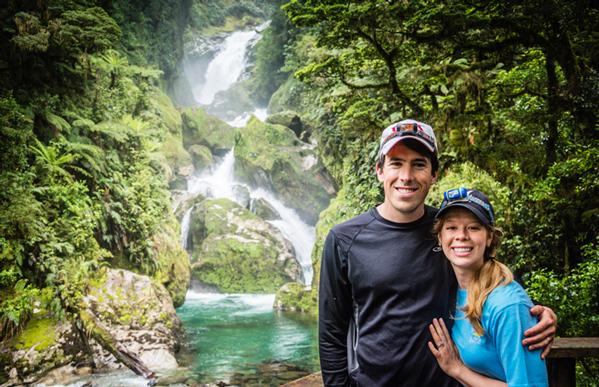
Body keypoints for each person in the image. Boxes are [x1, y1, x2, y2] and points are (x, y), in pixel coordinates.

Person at [318, 119, 556, 386]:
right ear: (379, 171)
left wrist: (537, 314)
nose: (406, 176)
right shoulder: (345, 239)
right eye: (396, 163)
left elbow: (495, 283)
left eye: (418, 164)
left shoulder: (449, 232)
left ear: (433, 175)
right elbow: (331, 332)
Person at [428, 188, 549, 386]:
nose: (461, 236)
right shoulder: (455, 289)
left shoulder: (507, 305)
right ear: (440, 238)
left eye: (474, 228)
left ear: (489, 237)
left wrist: (457, 370)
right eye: (451, 228)